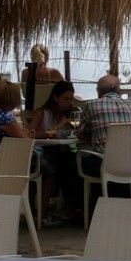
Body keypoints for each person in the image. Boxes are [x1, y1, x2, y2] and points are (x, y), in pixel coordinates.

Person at [28, 80, 82, 223]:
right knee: (55, 165)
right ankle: (43, 214)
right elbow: (31, 134)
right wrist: (58, 128)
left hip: (61, 151)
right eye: (65, 99)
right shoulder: (42, 113)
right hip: (42, 152)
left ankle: (71, 208)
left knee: (74, 164)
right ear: (55, 98)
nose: (69, 102)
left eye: (71, 99)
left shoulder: (72, 114)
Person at [76, 73, 131, 182]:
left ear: (98, 91)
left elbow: (81, 134)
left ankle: (92, 198)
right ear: (119, 91)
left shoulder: (91, 105)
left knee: (70, 160)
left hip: (107, 164)